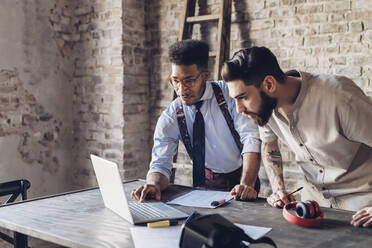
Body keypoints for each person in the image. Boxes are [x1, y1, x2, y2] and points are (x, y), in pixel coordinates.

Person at [221, 46, 372, 228]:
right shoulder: (264, 108)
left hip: (363, 207)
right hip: (313, 206)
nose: (239, 109)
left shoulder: (341, 98)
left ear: (269, 84)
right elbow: (269, 144)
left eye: (243, 97)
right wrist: (278, 188)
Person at [131, 40, 261, 203]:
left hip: (243, 179)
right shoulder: (172, 115)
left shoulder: (229, 95)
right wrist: (153, 184)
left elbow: (251, 139)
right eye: (175, 81)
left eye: (189, 80)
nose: (181, 89)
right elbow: (161, 163)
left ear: (205, 76)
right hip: (206, 185)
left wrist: (246, 184)